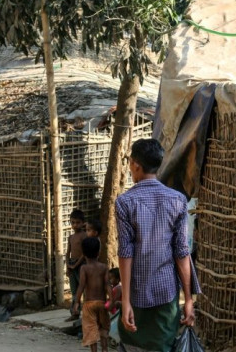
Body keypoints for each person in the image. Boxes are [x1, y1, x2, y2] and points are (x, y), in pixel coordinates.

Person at [115, 138, 200, 352]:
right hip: (166, 294)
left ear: (135, 165)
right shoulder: (178, 200)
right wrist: (188, 299)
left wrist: (125, 301)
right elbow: (182, 251)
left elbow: (126, 252)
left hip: (135, 294)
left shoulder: (125, 202)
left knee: (132, 346)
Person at [72, 237, 111, 352]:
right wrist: (112, 300)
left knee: (91, 331)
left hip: (89, 305)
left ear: (83, 254)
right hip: (102, 303)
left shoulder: (84, 268)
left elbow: (81, 286)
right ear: (99, 252)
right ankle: (105, 349)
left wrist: (76, 302)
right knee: (103, 328)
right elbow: (107, 284)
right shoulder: (104, 267)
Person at [67, 208, 88, 321]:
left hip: (81, 265)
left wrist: (76, 265)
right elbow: (67, 253)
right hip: (72, 264)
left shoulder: (84, 235)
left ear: (83, 223)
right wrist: (68, 266)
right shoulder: (71, 237)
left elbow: (84, 253)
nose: (75, 225)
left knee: (83, 289)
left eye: (78, 222)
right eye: (73, 222)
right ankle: (74, 313)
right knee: (74, 290)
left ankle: (86, 314)